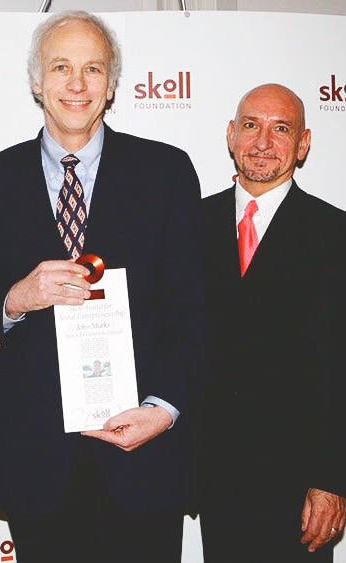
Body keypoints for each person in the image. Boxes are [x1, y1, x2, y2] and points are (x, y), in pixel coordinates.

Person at [0, 11, 205, 563]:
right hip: (37, 464)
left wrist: (164, 409)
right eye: (61, 67)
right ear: (36, 80)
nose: (77, 84)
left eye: (93, 69)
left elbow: (193, 309)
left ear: (112, 85)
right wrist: (14, 299)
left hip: (143, 456)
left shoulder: (166, 172)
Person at [199, 83, 346, 562]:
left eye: (280, 128)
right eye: (250, 125)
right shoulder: (188, 225)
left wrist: (332, 478)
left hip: (300, 490)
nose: (262, 142)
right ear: (230, 136)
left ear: (303, 144)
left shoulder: (336, 235)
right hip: (212, 479)